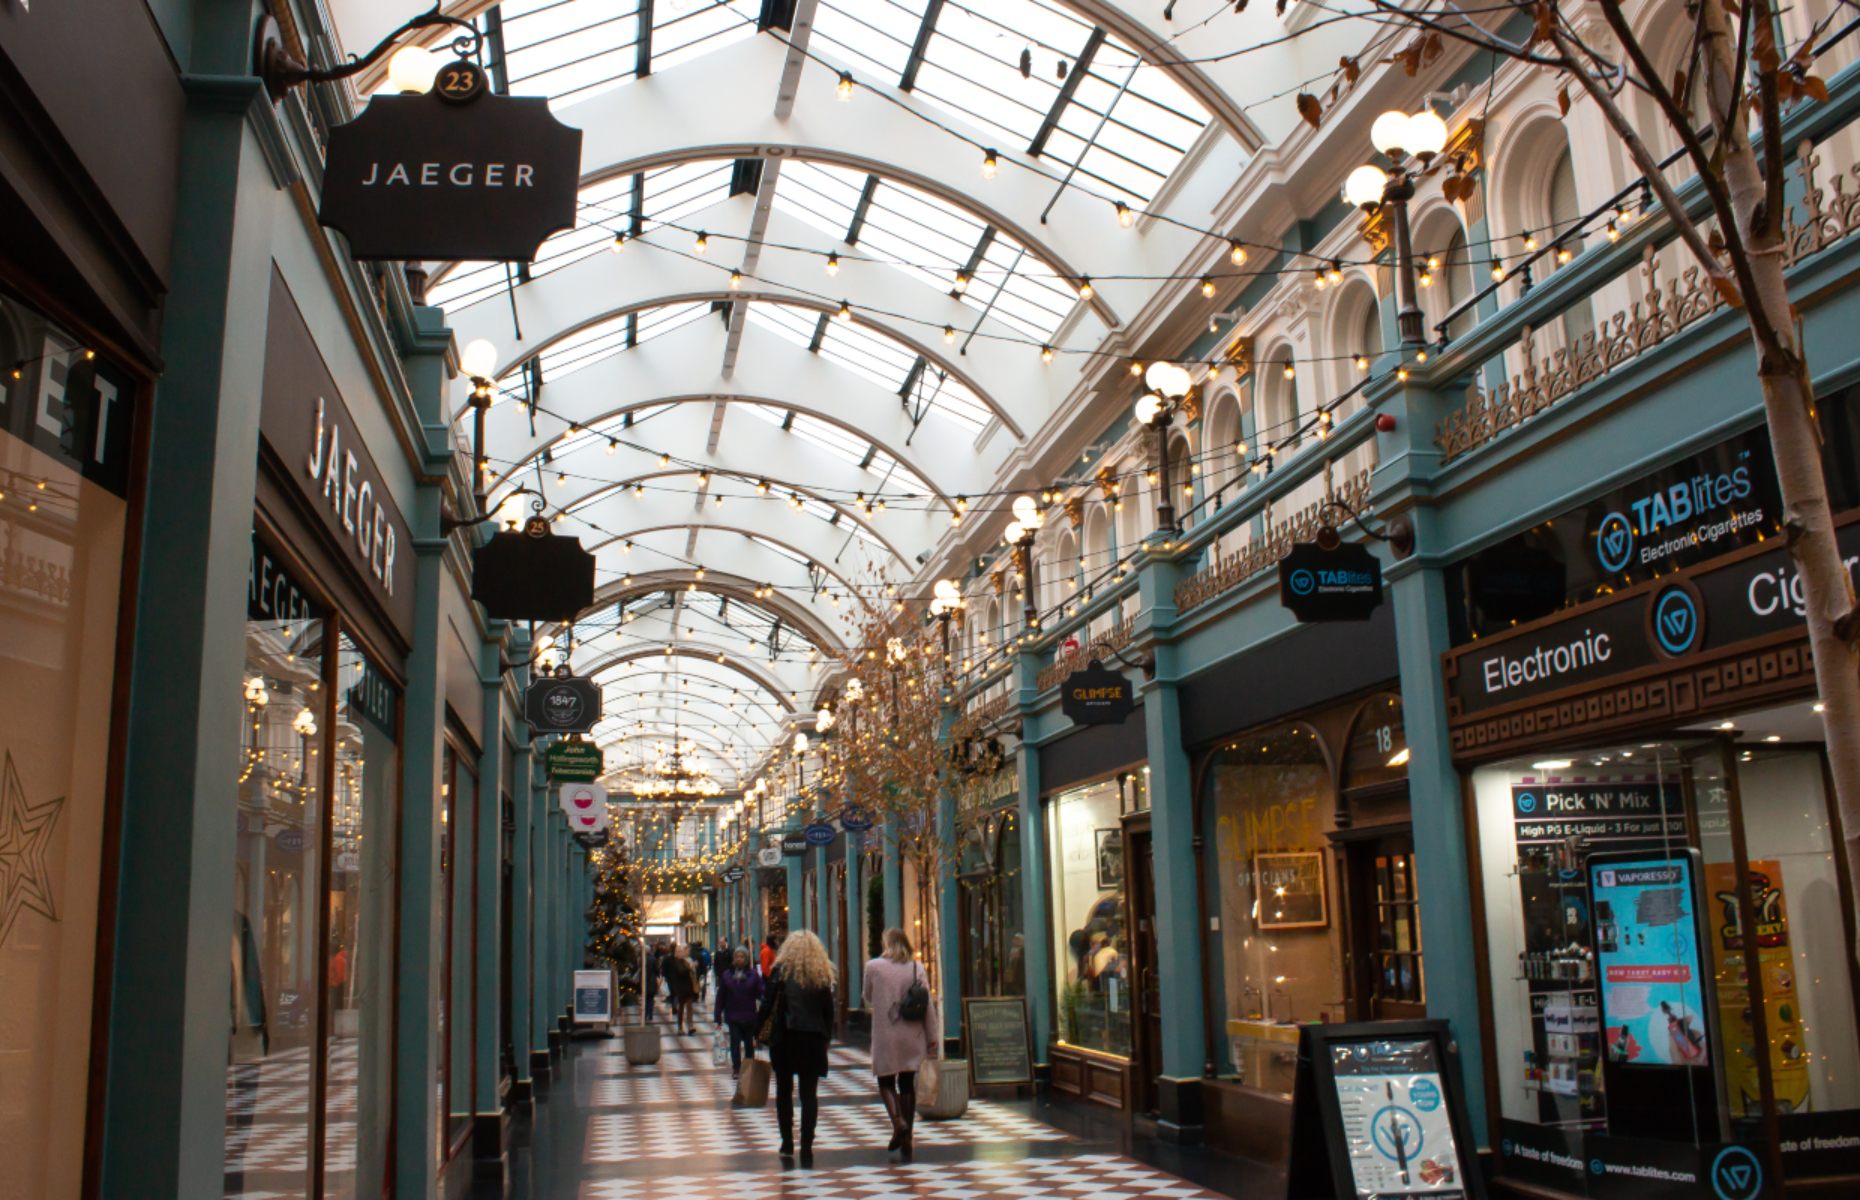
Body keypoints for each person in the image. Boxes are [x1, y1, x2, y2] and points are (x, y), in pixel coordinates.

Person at [756, 929, 836, 1165]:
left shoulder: (781, 973)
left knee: (783, 1091)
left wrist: (758, 1031)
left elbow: (768, 1003)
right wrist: (826, 1037)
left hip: (785, 1038)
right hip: (812, 1040)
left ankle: (787, 1142)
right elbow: (828, 1012)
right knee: (809, 1094)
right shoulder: (821, 976)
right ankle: (807, 1145)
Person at [863, 927, 938, 1160]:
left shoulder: (873, 967)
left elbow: (867, 996)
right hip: (912, 1035)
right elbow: (928, 1006)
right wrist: (933, 1038)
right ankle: (908, 1139)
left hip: (886, 1034)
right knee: (907, 1083)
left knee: (885, 1081)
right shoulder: (917, 968)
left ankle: (898, 1122)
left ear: (886, 943)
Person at [714, 947, 764, 1078]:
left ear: (746, 959)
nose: (739, 959)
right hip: (733, 1016)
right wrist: (717, 1016)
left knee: (749, 1044)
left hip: (749, 1016)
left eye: (742, 957)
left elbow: (760, 992)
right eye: (737, 957)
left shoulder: (753, 975)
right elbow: (721, 997)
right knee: (734, 1043)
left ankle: (748, 1068)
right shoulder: (727, 976)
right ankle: (736, 1068)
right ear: (733, 959)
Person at [664, 944, 698, 1035]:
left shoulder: (685, 961)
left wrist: (693, 968)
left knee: (689, 1006)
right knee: (681, 1007)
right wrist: (690, 967)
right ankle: (680, 1027)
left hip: (688, 986)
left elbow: (690, 972)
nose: (682, 952)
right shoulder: (675, 961)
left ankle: (690, 1026)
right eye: (680, 951)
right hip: (680, 987)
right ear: (677, 952)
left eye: (682, 951)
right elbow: (680, 971)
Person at [643, 940, 661, 1022]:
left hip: (644, 982)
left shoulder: (642, 959)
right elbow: (657, 970)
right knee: (650, 999)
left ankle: (645, 1014)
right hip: (652, 982)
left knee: (645, 999)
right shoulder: (653, 959)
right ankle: (650, 1014)